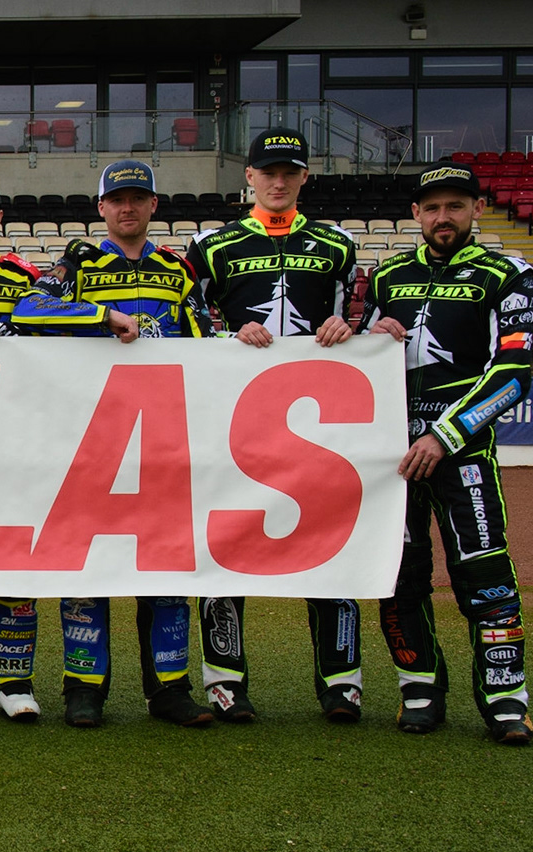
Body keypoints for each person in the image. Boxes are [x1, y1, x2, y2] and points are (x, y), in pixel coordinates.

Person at [0, 170, 137, 724]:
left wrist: (102, 316)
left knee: (17, 563)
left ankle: (14, 679)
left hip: (17, 442)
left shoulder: (25, 275)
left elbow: (47, 317)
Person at [184, 128, 366, 725]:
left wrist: (350, 331)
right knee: (224, 546)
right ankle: (226, 682)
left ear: (305, 177)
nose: (279, 181)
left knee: (331, 544)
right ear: (249, 177)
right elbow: (193, 328)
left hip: (318, 427)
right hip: (234, 422)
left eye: (290, 171)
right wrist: (225, 335)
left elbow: (351, 323)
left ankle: (342, 684)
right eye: (268, 172)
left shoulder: (337, 244)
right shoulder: (212, 245)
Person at [32, 159, 216, 729]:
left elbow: (207, 340)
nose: (128, 208)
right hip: (90, 438)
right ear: (101, 208)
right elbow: (29, 308)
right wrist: (102, 316)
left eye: (138, 198)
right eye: (118, 199)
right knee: (86, 566)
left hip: (163, 438)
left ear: (154, 206)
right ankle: (83, 688)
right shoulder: (77, 262)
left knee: (166, 567)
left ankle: (170, 688)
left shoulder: (178, 268)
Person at [364, 160, 533, 744]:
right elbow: (354, 368)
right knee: (400, 576)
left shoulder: (507, 273)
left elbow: (513, 376)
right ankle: (419, 689)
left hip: (460, 455)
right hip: (393, 460)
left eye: (455, 206)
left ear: (476, 211)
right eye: (432, 207)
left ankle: (506, 699)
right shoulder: (387, 276)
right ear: (415, 214)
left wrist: (443, 436)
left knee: (484, 574)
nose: (443, 217)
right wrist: (364, 335)